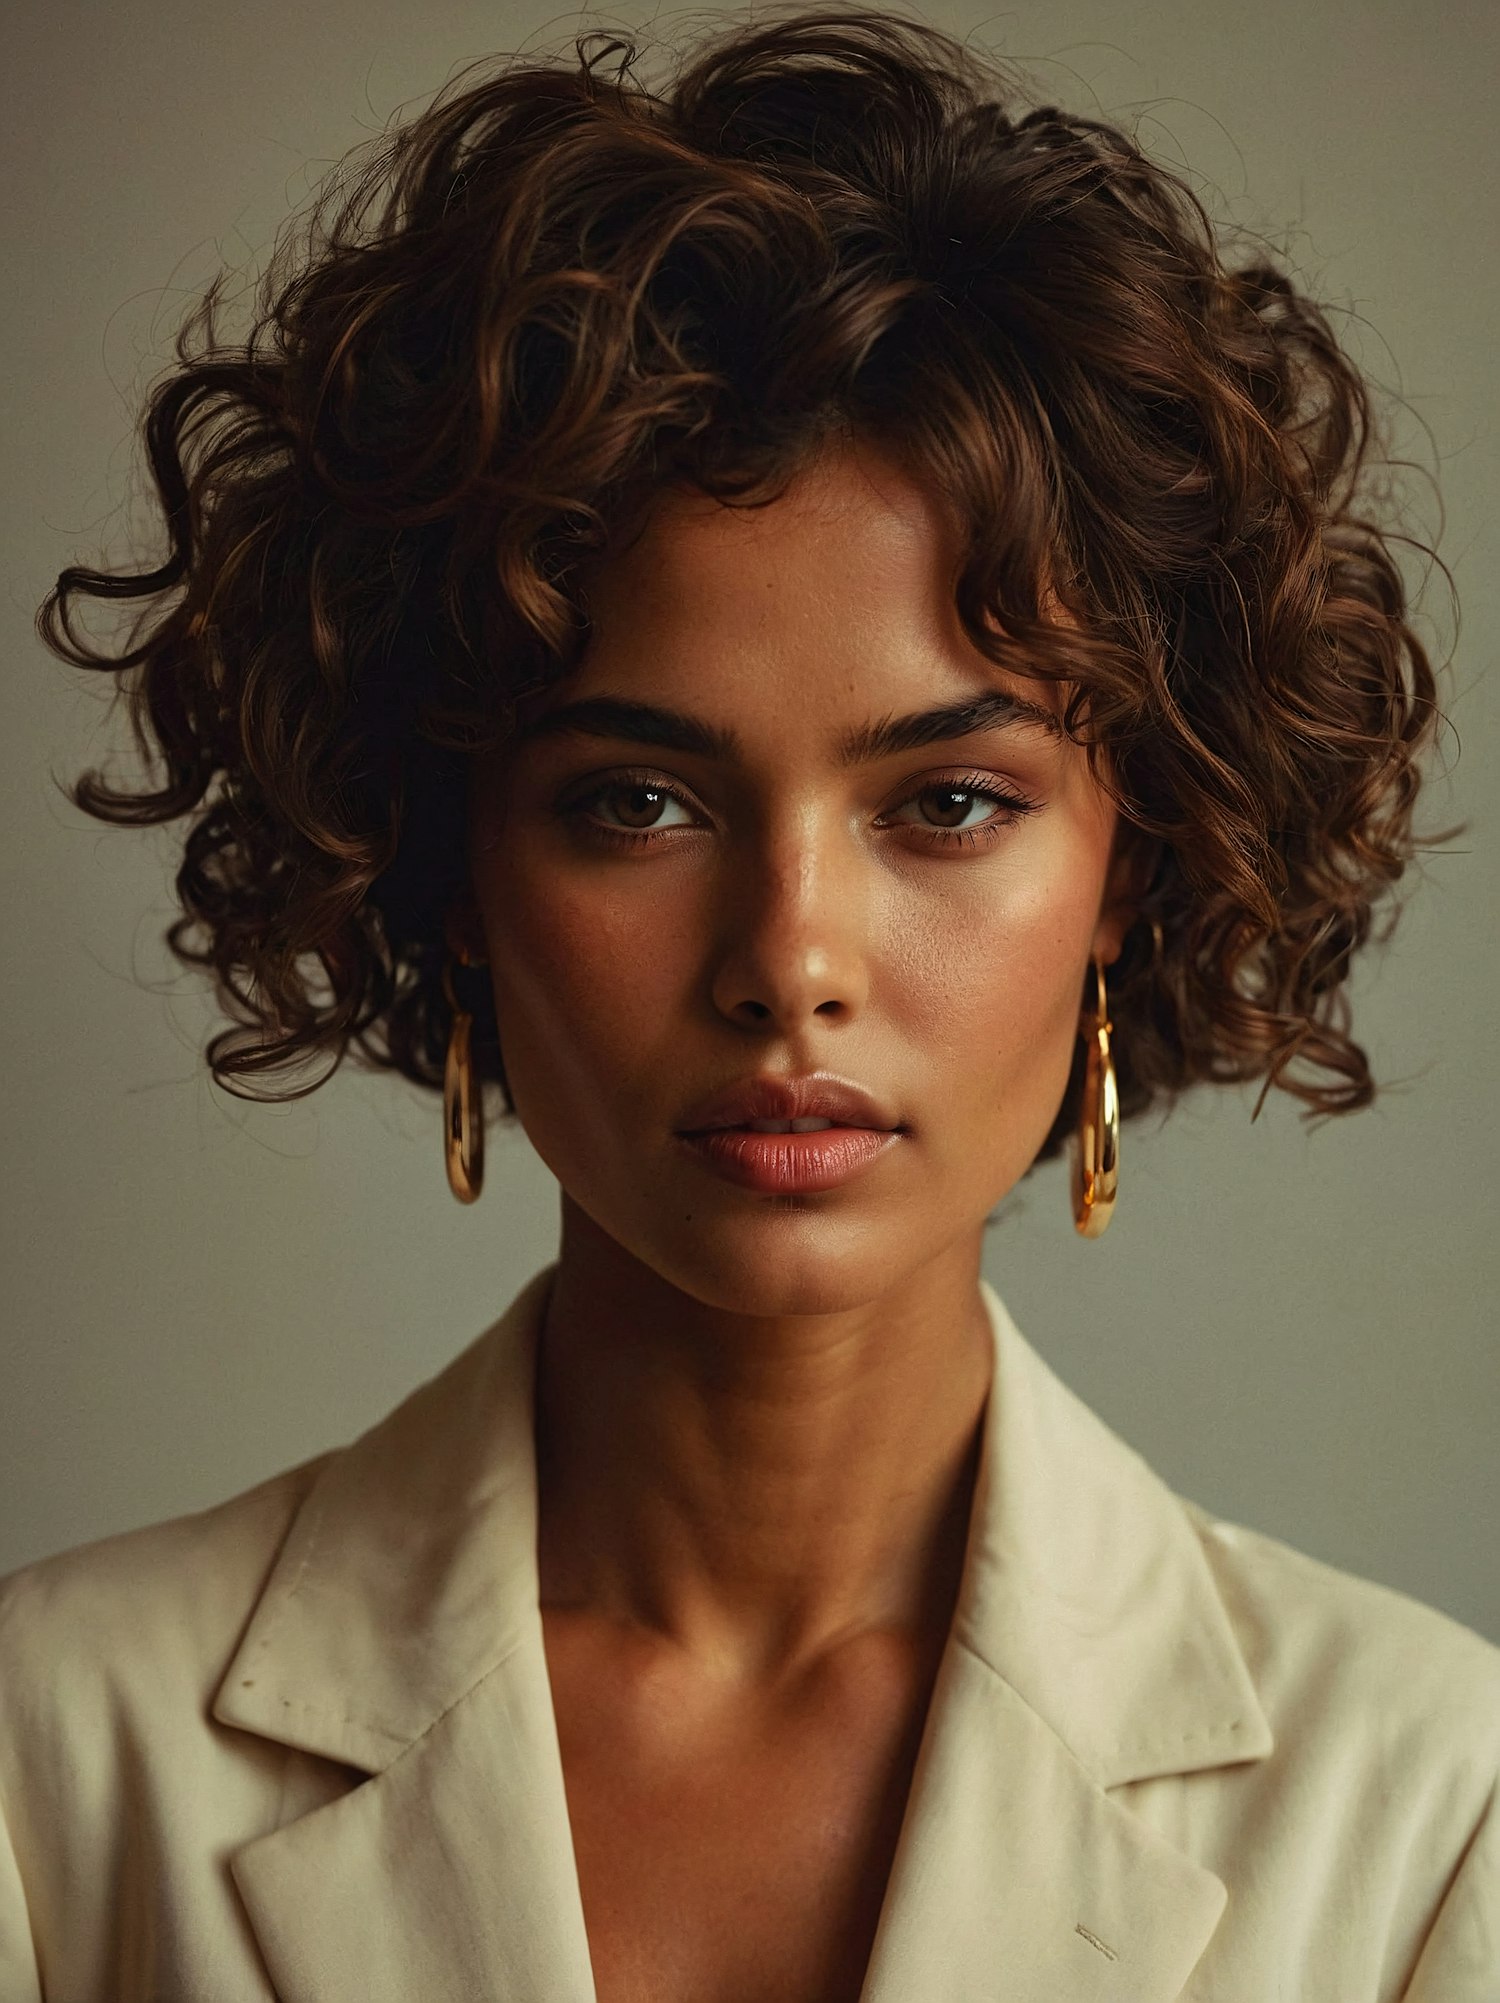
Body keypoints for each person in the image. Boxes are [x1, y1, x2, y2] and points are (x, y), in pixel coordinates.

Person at [3, 8, 1495, 1999]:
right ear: (445, 869)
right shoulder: (53, 1764)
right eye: (636, 801)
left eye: (949, 802)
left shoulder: (1422, 1810)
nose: (790, 955)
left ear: (1132, 863)